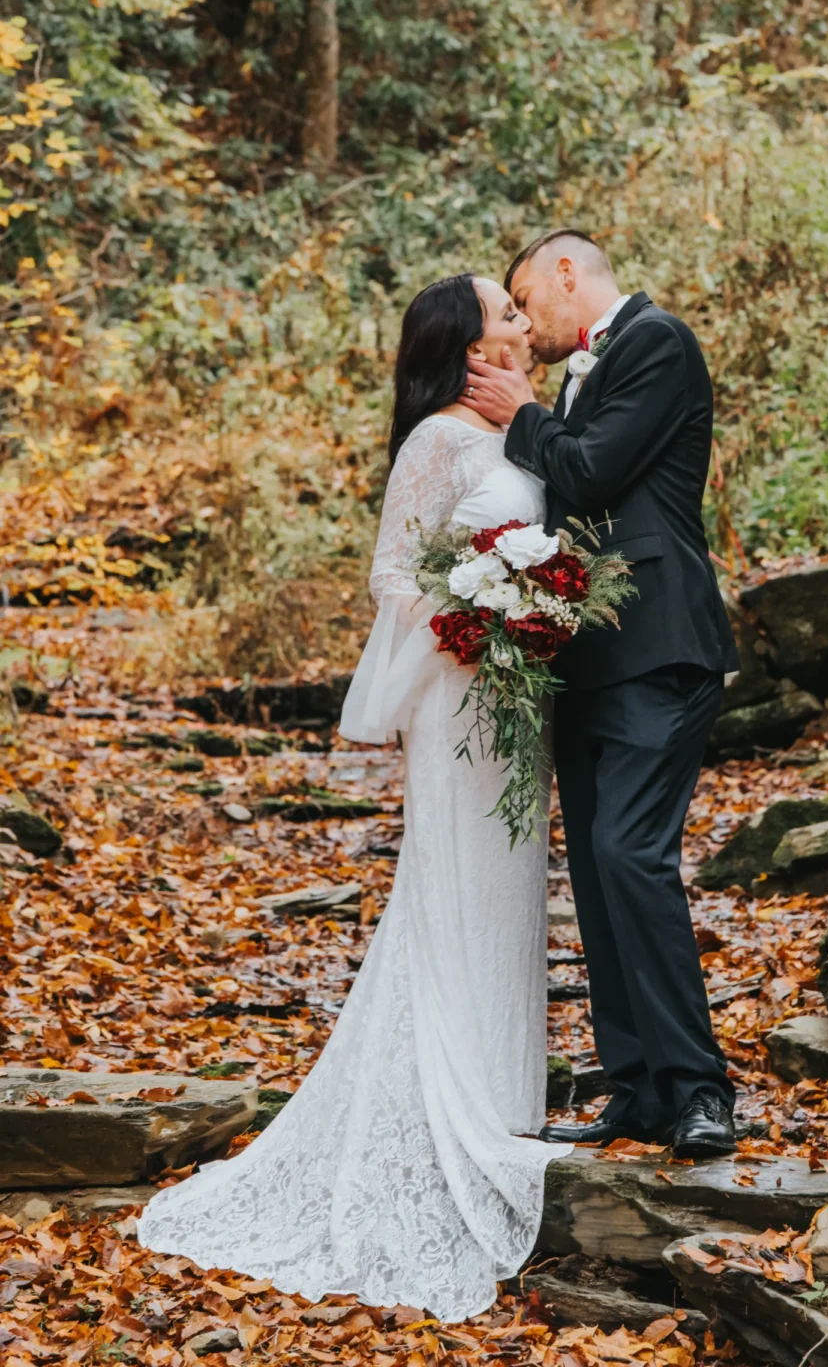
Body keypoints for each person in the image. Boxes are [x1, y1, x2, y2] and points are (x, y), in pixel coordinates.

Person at [137, 274, 564, 1321]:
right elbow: (393, 575)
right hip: (460, 696)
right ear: (466, 345)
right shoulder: (437, 443)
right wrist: (478, 623)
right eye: (503, 312)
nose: (521, 319)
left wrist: (538, 605)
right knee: (457, 882)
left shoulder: (527, 432)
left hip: (521, 704)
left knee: (512, 895)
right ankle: (444, 1105)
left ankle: (509, 1100)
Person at [459, 229, 740, 1159]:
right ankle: (639, 1089)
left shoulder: (658, 342)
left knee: (630, 854)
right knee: (593, 868)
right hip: (579, 660)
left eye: (525, 299)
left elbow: (587, 471)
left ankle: (700, 1089)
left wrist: (522, 412)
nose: (525, 323)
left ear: (566, 276)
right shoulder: (579, 375)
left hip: (659, 644)